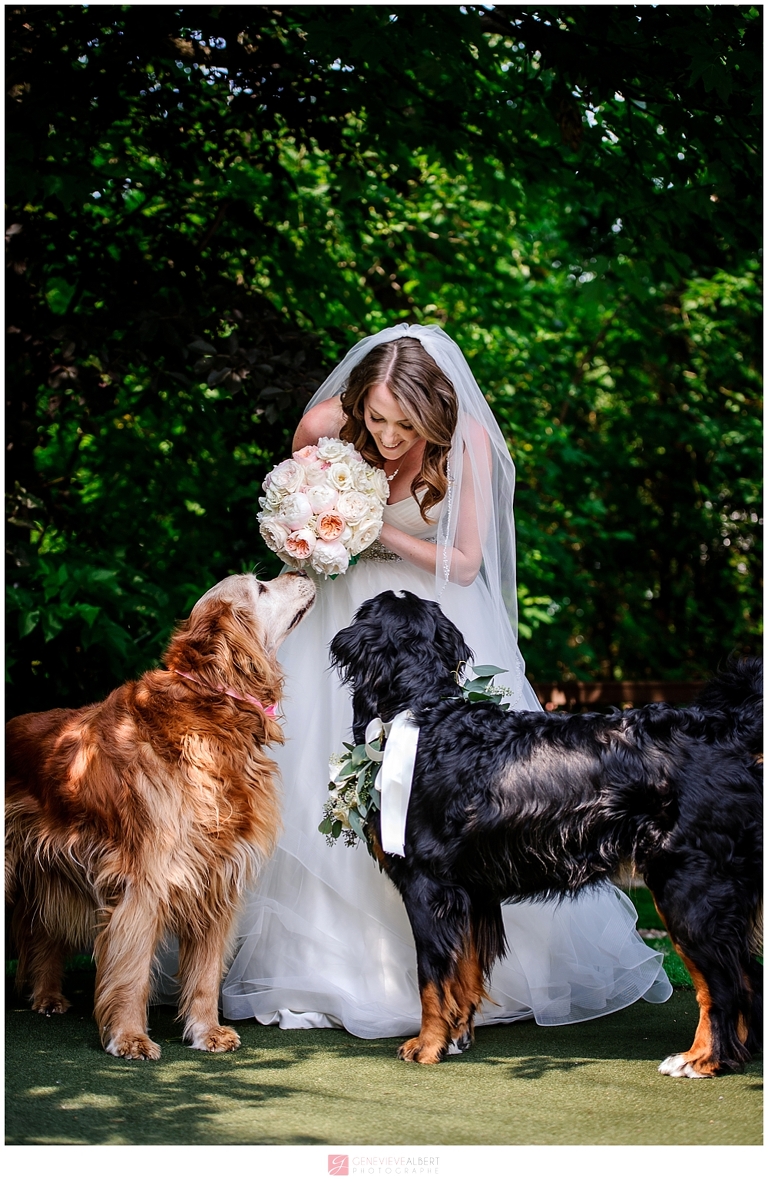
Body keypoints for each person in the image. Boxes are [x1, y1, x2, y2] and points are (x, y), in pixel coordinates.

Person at [162, 323, 672, 1036]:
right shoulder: (322, 424)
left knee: (445, 799)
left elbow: (463, 562)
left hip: (425, 619)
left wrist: (375, 531)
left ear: (434, 412)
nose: (391, 436)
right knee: (314, 779)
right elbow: (294, 523)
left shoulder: (469, 443)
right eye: (376, 419)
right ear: (357, 403)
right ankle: (326, 971)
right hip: (338, 616)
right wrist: (307, 533)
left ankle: (455, 973)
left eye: (407, 424)